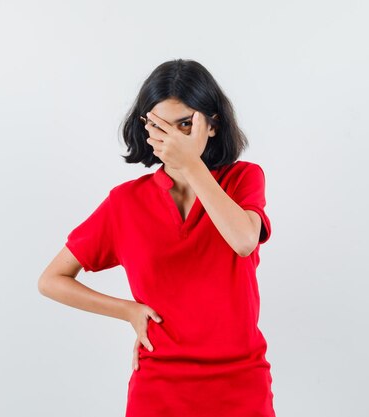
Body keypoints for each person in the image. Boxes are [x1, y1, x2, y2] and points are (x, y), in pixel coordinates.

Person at [38, 58, 276, 417]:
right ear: (146, 129)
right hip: (158, 387)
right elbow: (51, 280)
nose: (173, 139)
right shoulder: (126, 202)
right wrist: (129, 311)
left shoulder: (243, 180)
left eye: (185, 125)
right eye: (160, 126)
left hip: (240, 382)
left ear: (212, 125)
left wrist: (190, 164)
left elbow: (243, 240)